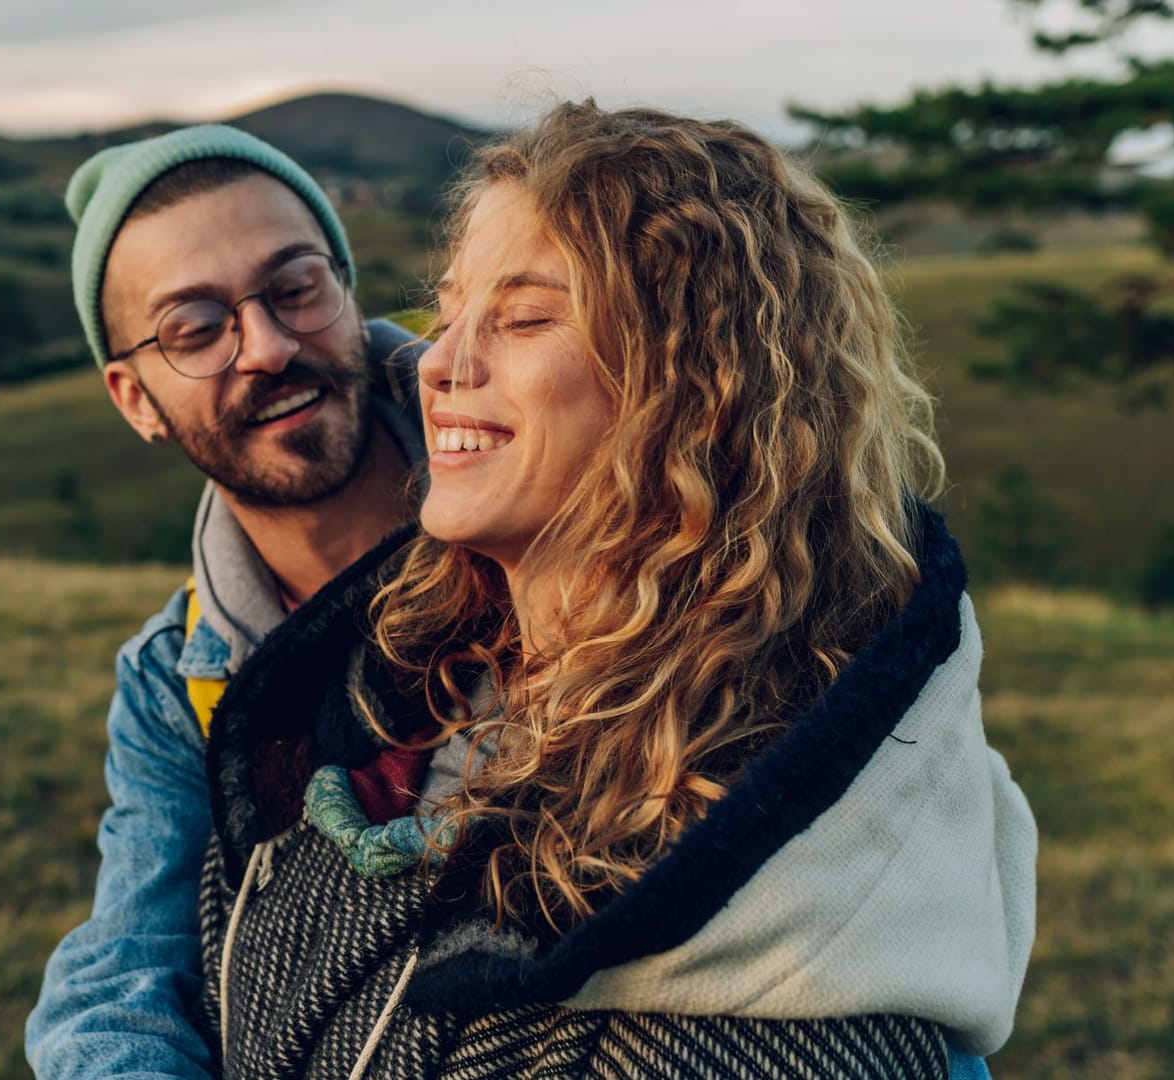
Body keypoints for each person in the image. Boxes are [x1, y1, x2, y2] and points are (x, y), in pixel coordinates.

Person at [194, 101, 1036, 1078]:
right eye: (450, 306)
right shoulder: (379, 690)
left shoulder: (780, 934)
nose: (440, 361)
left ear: (695, 389)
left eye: (521, 317)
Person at [24, 125, 427, 1077]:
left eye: (295, 289)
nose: (268, 348)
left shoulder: (562, 515)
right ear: (134, 399)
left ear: (346, 285)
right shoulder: (177, 683)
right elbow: (120, 976)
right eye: (195, 330)